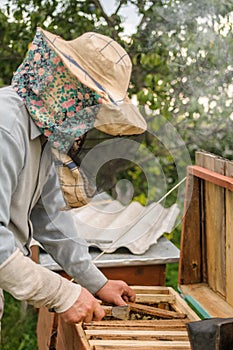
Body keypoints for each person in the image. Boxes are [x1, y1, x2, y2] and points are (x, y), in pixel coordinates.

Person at [0, 27, 147, 326]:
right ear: (68, 89)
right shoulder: (6, 127)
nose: (89, 121)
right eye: (91, 107)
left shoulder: (41, 136)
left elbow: (50, 218)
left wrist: (97, 282)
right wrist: (63, 294)